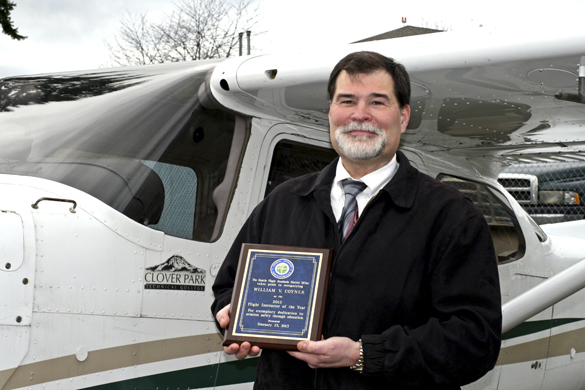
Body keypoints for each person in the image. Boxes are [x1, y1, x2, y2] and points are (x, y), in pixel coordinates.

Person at [211, 51, 502, 389]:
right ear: (331, 113)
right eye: (347, 101)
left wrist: (363, 354)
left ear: (403, 117)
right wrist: (233, 314)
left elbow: (475, 340)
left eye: (377, 102)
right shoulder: (284, 202)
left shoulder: (451, 216)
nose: (360, 115)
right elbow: (229, 285)